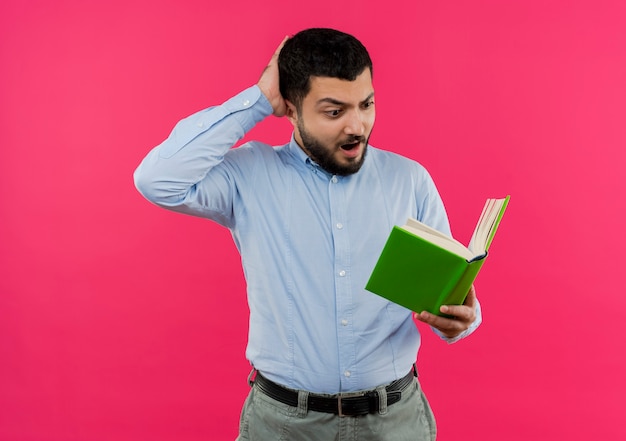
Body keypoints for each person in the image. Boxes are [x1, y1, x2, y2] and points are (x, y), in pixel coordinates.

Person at [134, 28, 481, 441]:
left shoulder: (410, 180)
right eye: (334, 112)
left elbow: (446, 292)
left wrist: (461, 319)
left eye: (366, 104)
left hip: (394, 421)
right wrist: (258, 101)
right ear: (292, 109)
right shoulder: (249, 175)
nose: (358, 126)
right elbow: (157, 180)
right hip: (283, 425)